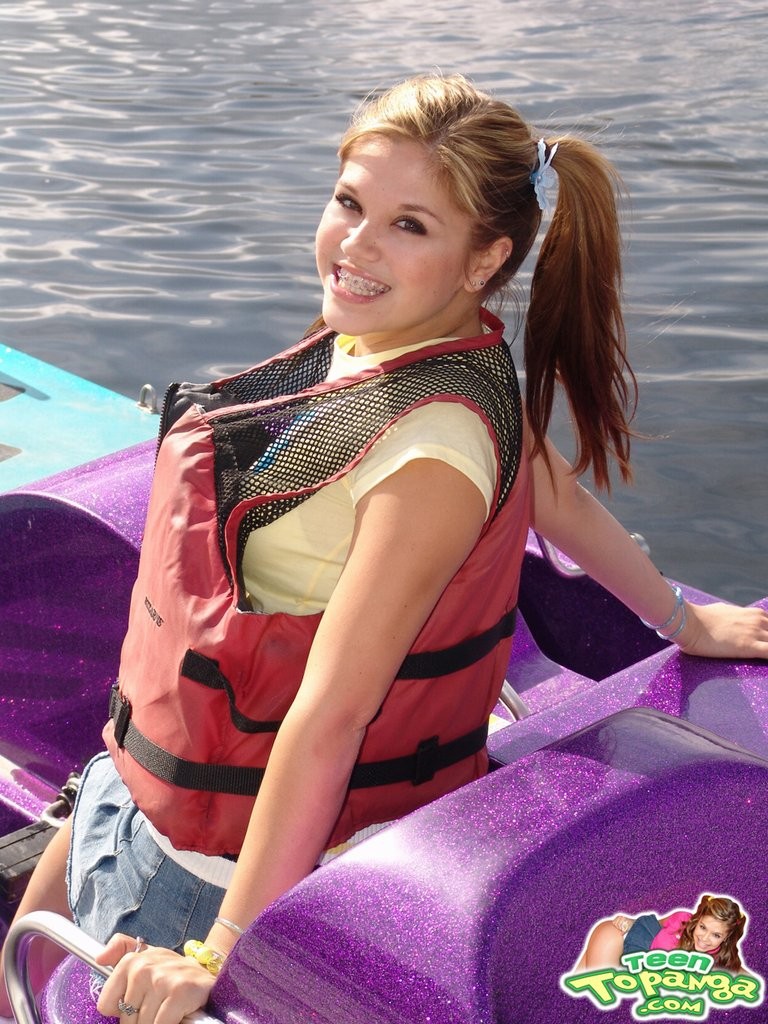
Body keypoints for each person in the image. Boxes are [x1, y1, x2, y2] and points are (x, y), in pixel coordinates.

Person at [1, 73, 766, 1024]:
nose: (354, 247)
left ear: (485, 258)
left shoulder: (430, 455)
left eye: (410, 226)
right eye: (351, 203)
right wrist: (682, 615)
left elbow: (331, 716)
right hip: (140, 779)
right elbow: (557, 497)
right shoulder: (404, 347)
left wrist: (222, 952)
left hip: (210, 868)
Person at [575, 894, 747, 972]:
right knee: (586, 993)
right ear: (697, 920)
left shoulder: (722, 961)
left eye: (716, 935)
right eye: (702, 927)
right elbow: (654, 924)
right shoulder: (682, 919)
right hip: (626, 939)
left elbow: (744, 978)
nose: (704, 938)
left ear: (727, 938)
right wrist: (630, 921)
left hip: (633, 970)